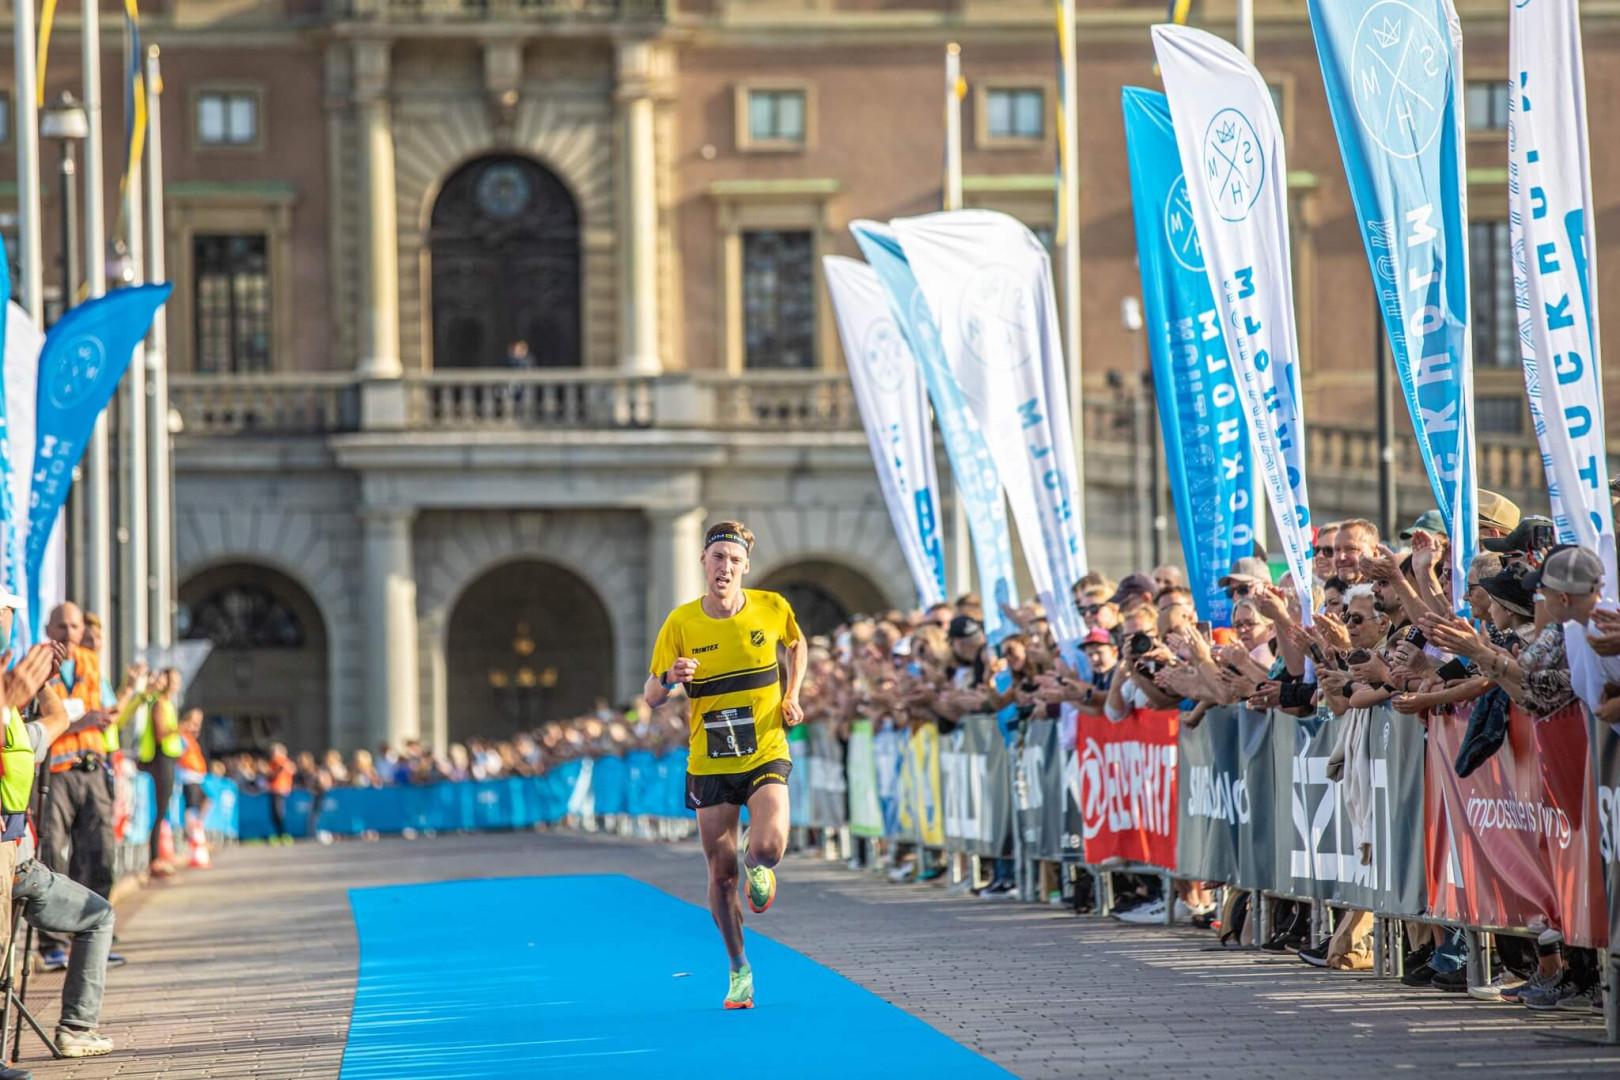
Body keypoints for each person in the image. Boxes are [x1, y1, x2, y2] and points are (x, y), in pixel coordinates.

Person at [644, 520, 806, 1011]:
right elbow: (650, 696)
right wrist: (671, 677)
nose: (725, 567)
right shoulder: (681, 623)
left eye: (734, 560)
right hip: (710, 761)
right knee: (720, 876)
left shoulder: (772, 607)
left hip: (764, 750)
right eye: (718, 558)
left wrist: (793, 694)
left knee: (770, 846)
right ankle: (738, 969)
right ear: (703, 562)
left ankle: (759, 862)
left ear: (745, 567)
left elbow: (797, 644)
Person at [0, 591, 119, 1062]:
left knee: (97, 913)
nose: (9, 619)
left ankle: (76, 1028)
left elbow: (51, 721)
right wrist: (11, 693)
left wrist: (43, 680)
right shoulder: (6, 703)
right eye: (6, 612)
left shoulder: (13, 714)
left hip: (18, 862)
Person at [36, 603, 127, 972]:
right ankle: (53, 945)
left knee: (99, 856)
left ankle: (91, 941)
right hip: (55, 772)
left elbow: (109, 707)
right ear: (48, 628)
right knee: (53, 857)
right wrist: (77, 723)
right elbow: (31, 717)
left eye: (74, 626)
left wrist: (108, 715)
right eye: (62, 625)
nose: (70, 632)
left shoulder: (91, 662)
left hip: (92, 771)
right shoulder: (37, 664)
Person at [129, 670, 184, 877]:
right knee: (160, 811)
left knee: (163, 810)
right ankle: (154, 860)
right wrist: (183, 727)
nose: (177, 684)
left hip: (166, 759)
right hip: (160, 759)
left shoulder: (166, 703)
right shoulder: (160, 703)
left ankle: (159, 856)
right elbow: (161, 734)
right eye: (174, 680)